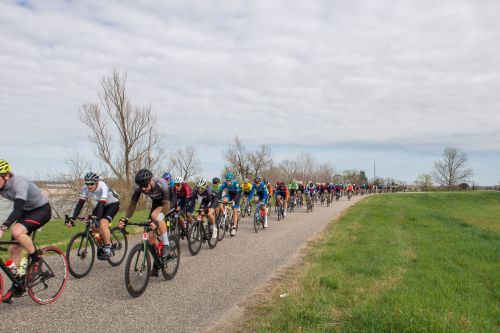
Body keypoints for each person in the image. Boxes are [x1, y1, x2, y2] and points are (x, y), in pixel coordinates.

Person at [0, 160, 51, 284]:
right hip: (26, 211)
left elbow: (17, 210)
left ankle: (36, 259)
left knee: (16, 231)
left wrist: (2, 228)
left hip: (41, 210)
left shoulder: (19, 183)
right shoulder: (2, 185)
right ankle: (17, 284)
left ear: (6, 175)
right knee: (14, 249)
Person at [120, 169, 175, 276]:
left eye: (145, 185)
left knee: (155, 217)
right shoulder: (139, 187)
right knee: (150, 236)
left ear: (151, 180)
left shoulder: (161, 183)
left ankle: (166, 244)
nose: (144, 189)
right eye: (141, 187)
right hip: (156, 203)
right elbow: (133, 204)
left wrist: (158, 220)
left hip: (169, 202)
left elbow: (166, 205)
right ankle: (158, 261)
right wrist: (126, 219)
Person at [67, 172, 120, 260]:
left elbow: (102, 205)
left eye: (91, 184)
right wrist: (73, 218)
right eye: (87, 184)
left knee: (103, 223)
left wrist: (97, 219)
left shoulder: (103, 187)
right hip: (101, 204)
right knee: (92, 226)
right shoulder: (85, 189)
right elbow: (80, 204)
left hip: (113, 204)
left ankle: (108, 247)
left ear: (96, 183)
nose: (89, 186)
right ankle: (102, 243)